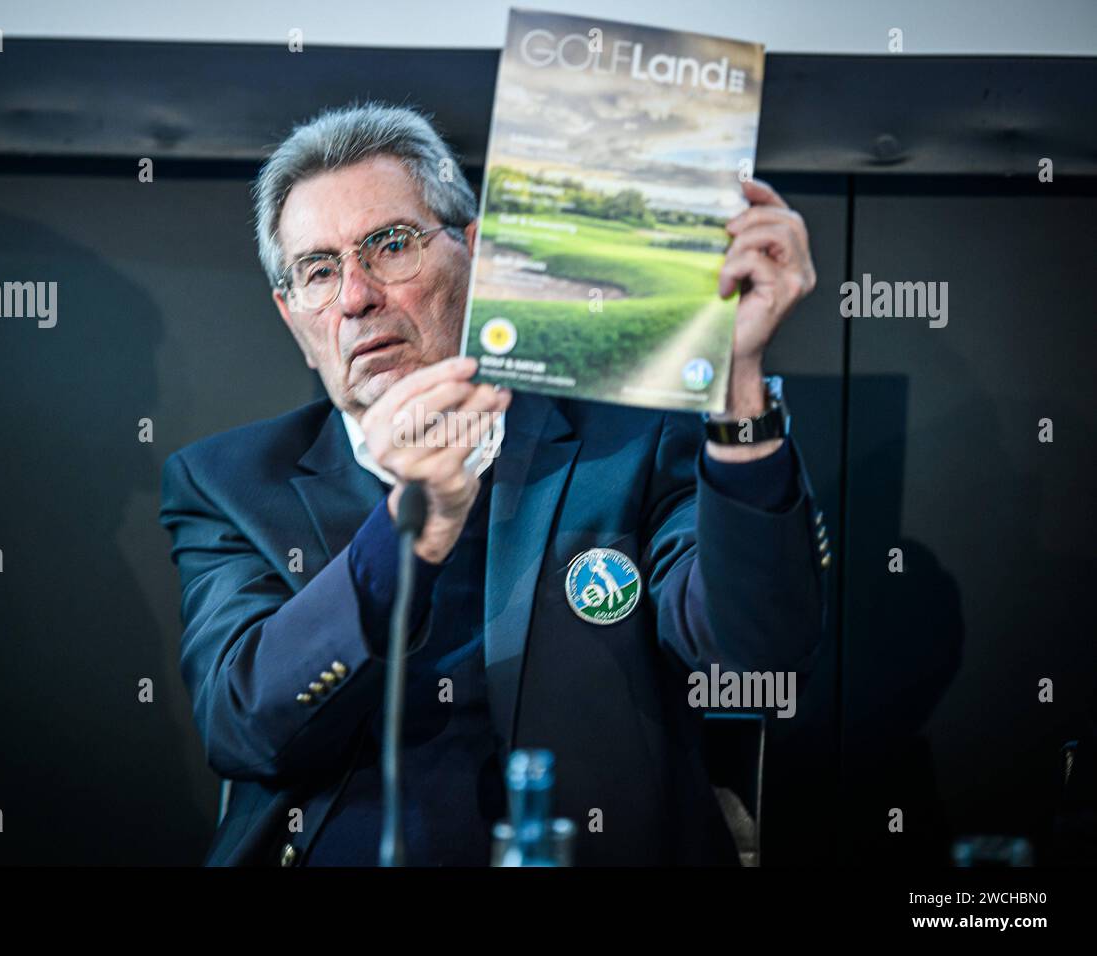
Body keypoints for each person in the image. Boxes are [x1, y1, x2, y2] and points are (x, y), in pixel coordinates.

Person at [160, 103, 827, 866]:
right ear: (291, 316)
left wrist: (738, 382)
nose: (355, 296)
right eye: (318, 270)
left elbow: (757, 650)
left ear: (474, 256)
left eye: (391, 245)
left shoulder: (631, 440)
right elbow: (244, 727)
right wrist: (407, 534)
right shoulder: (230, 484)